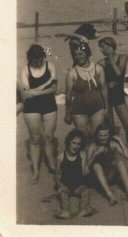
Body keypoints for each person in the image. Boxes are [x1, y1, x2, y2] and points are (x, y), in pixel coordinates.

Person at [19, 44, 58, 183]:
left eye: (41, 59)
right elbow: (26, 94)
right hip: (31, 108)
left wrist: (36, 91)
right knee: (35, 140)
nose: (39, 62)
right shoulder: (25, 70)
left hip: (49, 106)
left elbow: (54, 88)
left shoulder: (50, 65)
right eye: (36, 60)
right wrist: (45, 86)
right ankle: (35, 171)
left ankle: (52, 164)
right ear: (30, 59)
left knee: (48, 137)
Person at [97, 37, 128, 163]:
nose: (102, 50)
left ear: (112, 46)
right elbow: (98, 81)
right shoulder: (100, 63)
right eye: (101, 47)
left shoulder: (123, 57)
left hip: (119, 96)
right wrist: (106, 83)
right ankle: (111, 154)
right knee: (110, 127)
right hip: (107, 98)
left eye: (104, 47)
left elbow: (119, 73)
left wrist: (110, 58)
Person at [87, 123, 128, 204]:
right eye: (101, 135)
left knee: (120, 162)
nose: (103, 138)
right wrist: (95, 154)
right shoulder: (93, 146)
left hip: (110, 175)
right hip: (98, 178)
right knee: (96, 165)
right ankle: (110, 195)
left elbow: (127, 156)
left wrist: (120, 141)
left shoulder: (112, 144)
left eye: (105, 135)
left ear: (109, 135)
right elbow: (86, 168)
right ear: (96, 135)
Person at [65, 42, 107, 136]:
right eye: (75, 55)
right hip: (79, 111)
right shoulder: (72, 73)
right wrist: (67, 113)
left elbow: (104, 89)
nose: (77, 57)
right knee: (82, 137)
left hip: (98, 108)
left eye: (80, 54)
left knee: (96, 136)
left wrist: (107, 107)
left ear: (87, 53)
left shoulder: (98, 69)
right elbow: (68, 96)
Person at [54, 129, 95, 219]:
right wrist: (60, 186)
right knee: (63, 194)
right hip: (65, 184)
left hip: (78, 185)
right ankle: (65, 212)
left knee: (86, 191)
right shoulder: (60, 157)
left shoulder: (82, 155)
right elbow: (57, 175)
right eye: (73, 143)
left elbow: (84, 172)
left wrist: (88, 169)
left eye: (78, 144)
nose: (75, 146)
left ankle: (83, 209)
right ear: (68, 142)